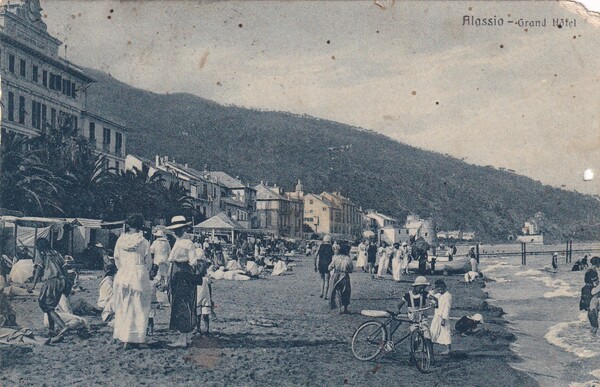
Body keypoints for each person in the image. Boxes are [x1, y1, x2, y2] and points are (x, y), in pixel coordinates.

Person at [112, 214, 152, 350]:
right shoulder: (144, 242)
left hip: (123, 274)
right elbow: (148, 262)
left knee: (123, 306)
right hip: (139, 274)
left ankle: (124, 338)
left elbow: (116, 258)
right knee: (140, 308)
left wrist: (124, 269)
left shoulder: (120, 241)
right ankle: (139, 339)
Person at [167, 215, 204, 348]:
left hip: (182, 273)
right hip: (179, 273)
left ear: (183, 229)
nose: (176, 232)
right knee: (182, 303)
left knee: (182, 304)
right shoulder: (181, 241)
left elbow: (193, 260)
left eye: (178, 229)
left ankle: (183, 338)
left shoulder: (186, 243)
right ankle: (185, 337)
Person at [27, 238, 71, 343]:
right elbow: (64, 268)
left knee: (45, 305)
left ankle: (63, 326)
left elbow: (39, 269)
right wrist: (67, 283)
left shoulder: (41, 253)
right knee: (51, 306)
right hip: (62, 281)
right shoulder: (56, 253)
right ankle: (51, 330)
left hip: (51, 281)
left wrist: (33, 284)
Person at [397, 276, 437, 362]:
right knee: (414, 338)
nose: (423, 289)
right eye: (421, 287)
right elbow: (399, 304)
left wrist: (435, 302)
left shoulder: (424, 294)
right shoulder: (408, 295)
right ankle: (412, 356)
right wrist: (398, 310)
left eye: (424, 287)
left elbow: (434, 298)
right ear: (416, 286)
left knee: (427, 337)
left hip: (422, 319)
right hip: (413, 320)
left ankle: (432, 358)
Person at [328, 243, 354, 314]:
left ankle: (339, 308)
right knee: (346, 292)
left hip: (336, 275)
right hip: (345, 276)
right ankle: (345, 309)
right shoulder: (348, 259)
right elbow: (351, 270)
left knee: (336, 291)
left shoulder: (336, 258)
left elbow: (330, 267)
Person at [430, 280, 452, 355]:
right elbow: (431, 297)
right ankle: (430, 347)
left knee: (445, 332)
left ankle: (448, 349)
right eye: (438, 288)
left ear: (444, 287)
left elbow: (447, 308)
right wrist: (433, 289)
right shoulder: (438, 295)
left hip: (443, 317)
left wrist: (444, 318)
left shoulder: (447, 296)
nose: (440, 290)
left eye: (441, 288)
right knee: (433, 331)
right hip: (436, 317)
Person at [196, 259, 214, 335]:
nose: (204, 270)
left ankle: (206, 329)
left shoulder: (207, 277)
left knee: (206, 314)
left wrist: (210, 298)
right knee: (198, 314)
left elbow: (209, 287)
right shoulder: (195, 277)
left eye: (205, 268)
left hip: (206, 298)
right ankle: (198, 328)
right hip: (197, 298)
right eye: (202, 268)